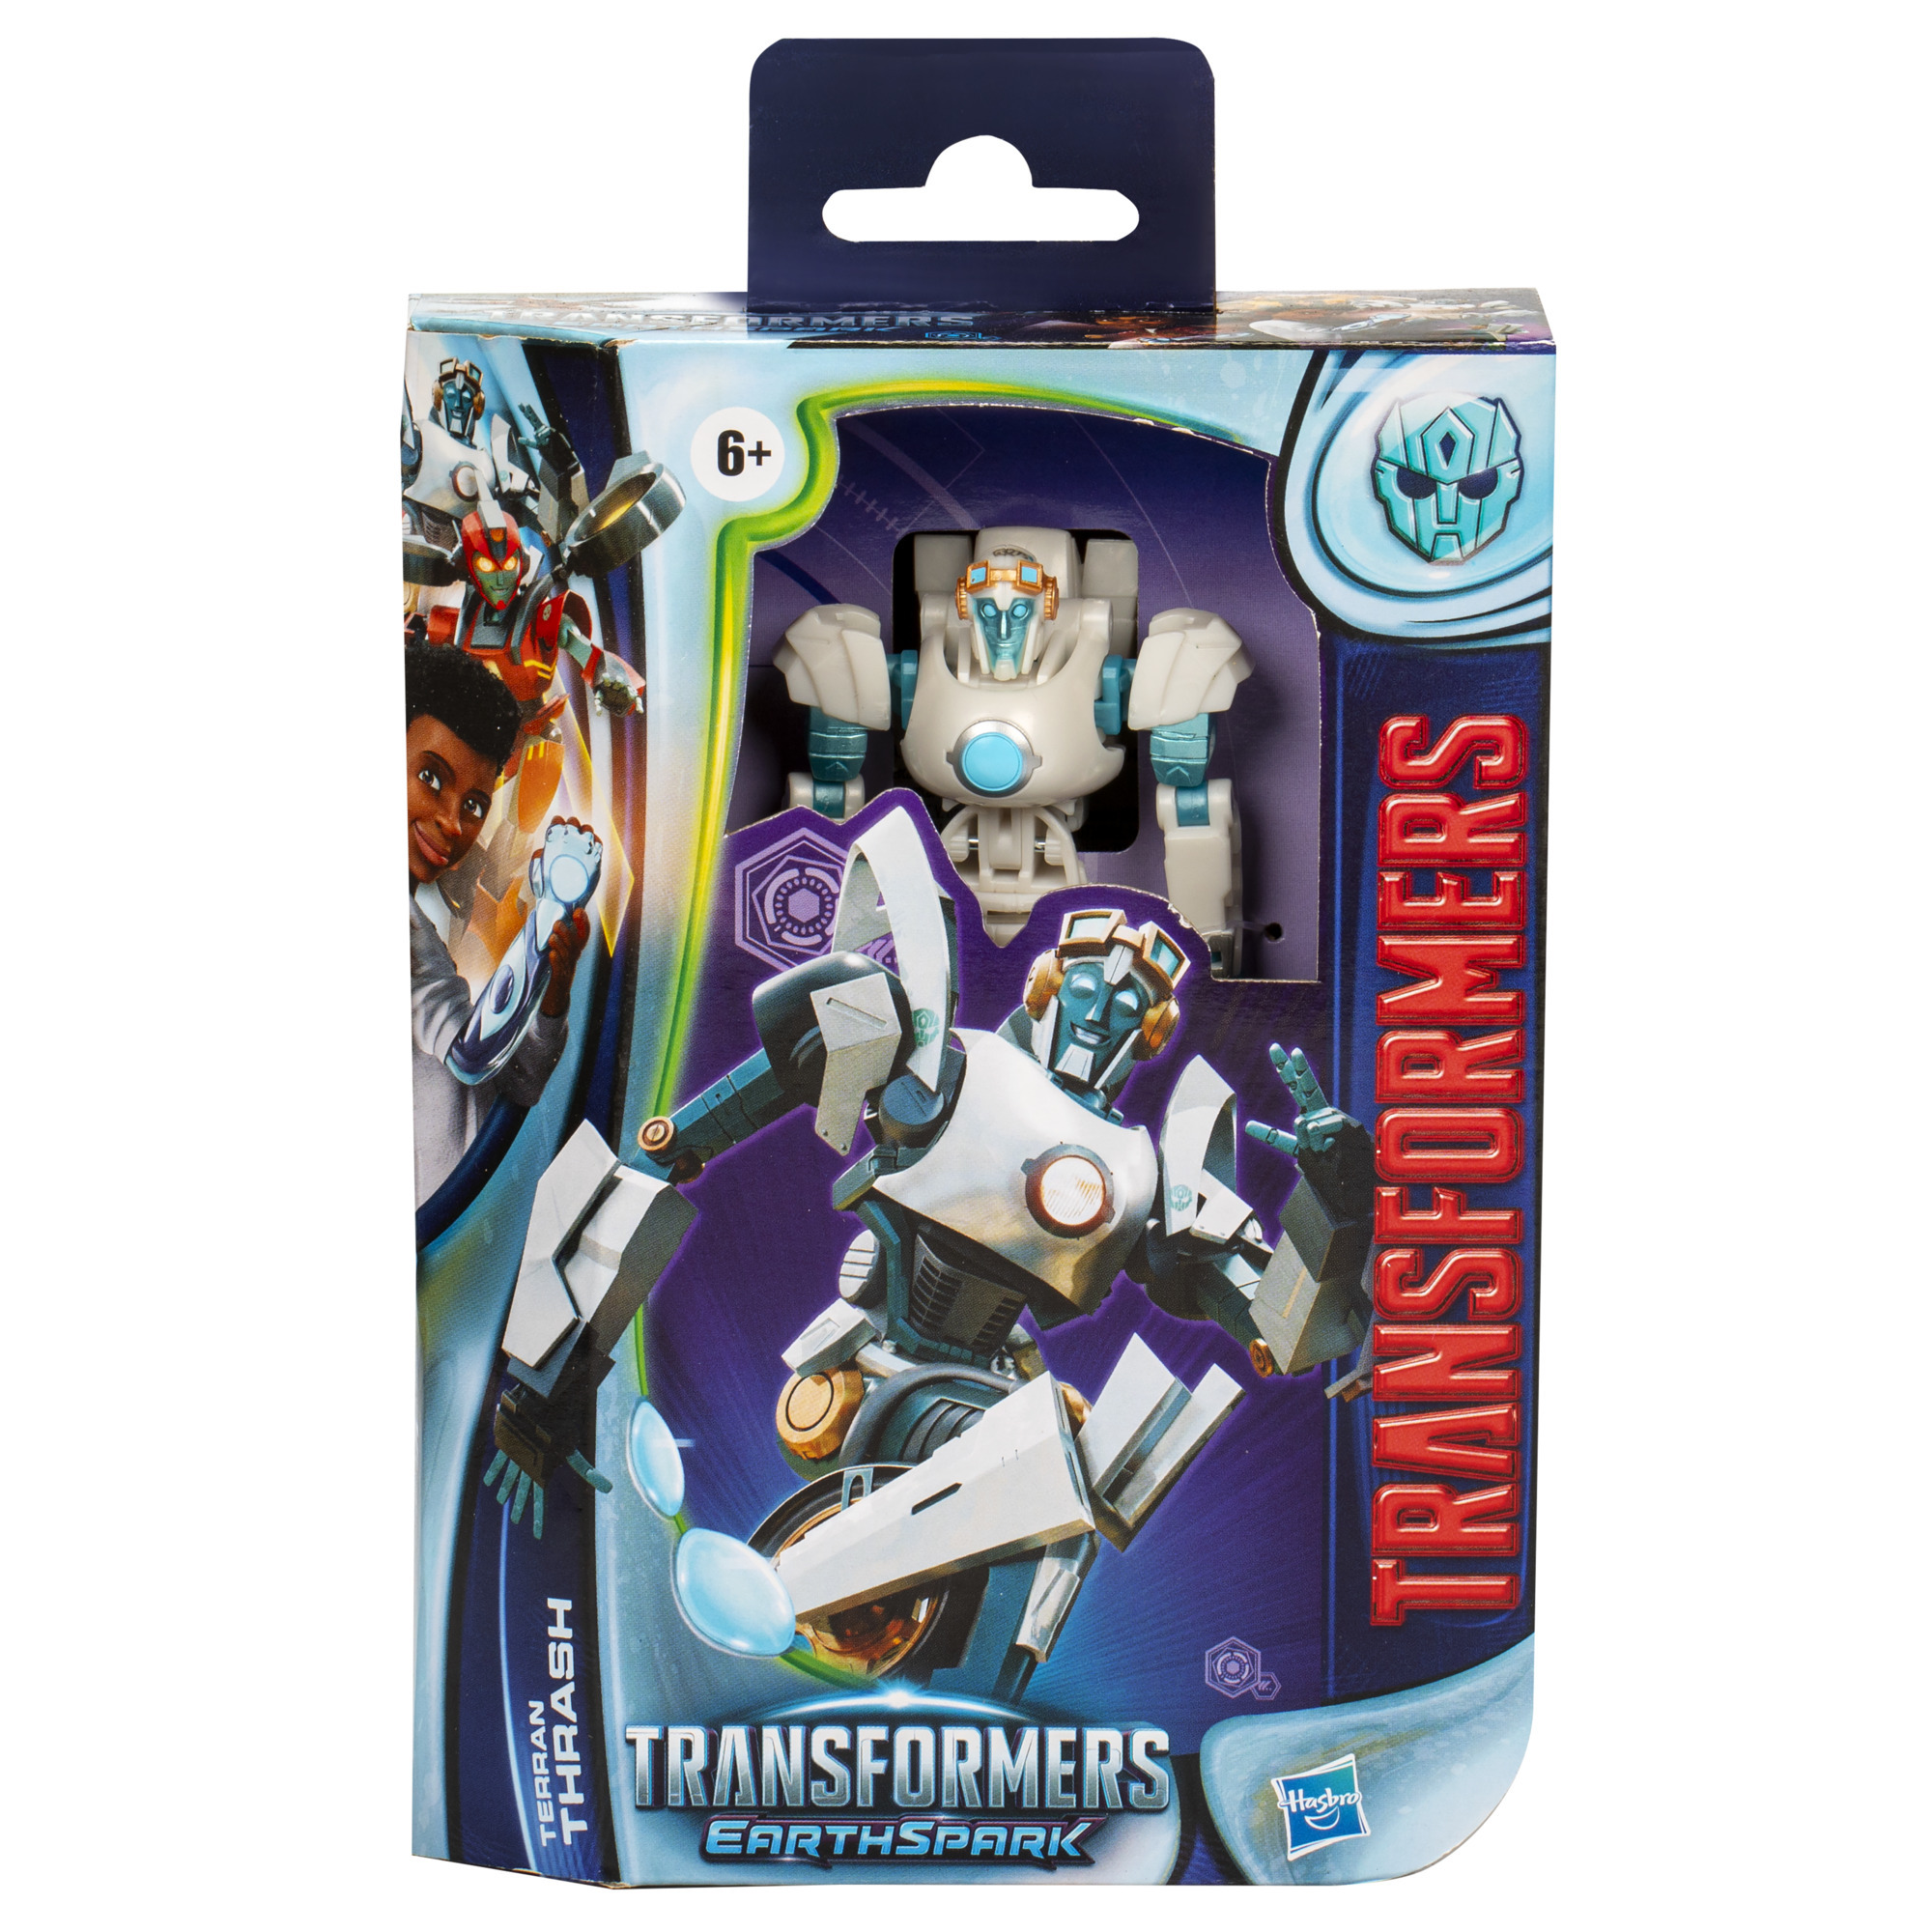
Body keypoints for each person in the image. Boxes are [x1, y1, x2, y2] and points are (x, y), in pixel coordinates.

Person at [406, 641, 587, 1208]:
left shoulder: (419, 928)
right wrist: (541, 925)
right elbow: (472, 1056)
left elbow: (516, 1085)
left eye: (474, 805)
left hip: (464, 1227)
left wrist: (552, 997)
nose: (451, 822)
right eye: (431, 778)